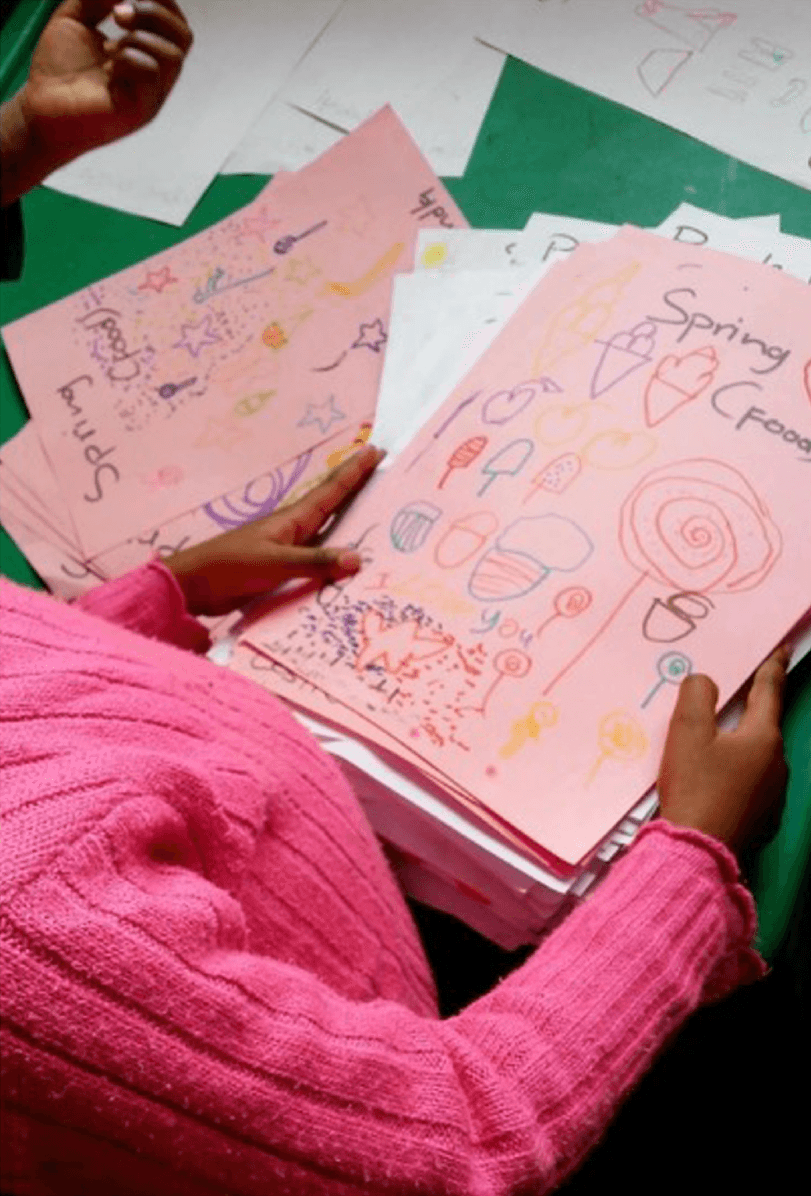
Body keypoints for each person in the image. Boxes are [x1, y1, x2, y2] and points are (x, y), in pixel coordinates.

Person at [0, 3, 793, 1193]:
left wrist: (153, 599)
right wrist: (685, 866)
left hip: (280, 824)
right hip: (378, 1004)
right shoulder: (38, 948)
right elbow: (458, 1138)